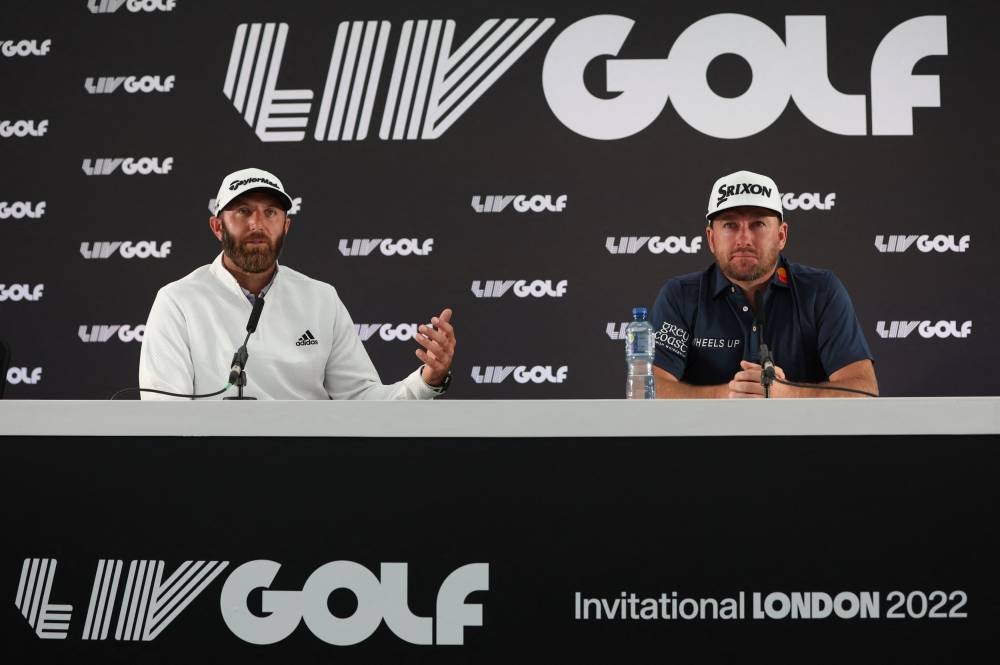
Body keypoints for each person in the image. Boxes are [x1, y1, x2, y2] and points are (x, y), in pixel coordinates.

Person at [138, 167, 454, 400]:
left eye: (271, 212)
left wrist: (427, 380)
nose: (257, 224)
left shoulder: (320, 299)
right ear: (217, 226)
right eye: (243, 211)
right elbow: (164, 415)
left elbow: (362, 402)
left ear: (286, 226)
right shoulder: (178, 301)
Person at [651, 170, 877, 398]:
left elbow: (864, 391)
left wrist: (789, 394)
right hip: (708, 434)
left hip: (798, 434)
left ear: (781, 236)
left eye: (758, 224)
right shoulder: (680, 296)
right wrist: (730, 395)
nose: (744, 239)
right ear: (711, 238)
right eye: (730, 225)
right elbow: (646, 390)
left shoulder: (820, 291)